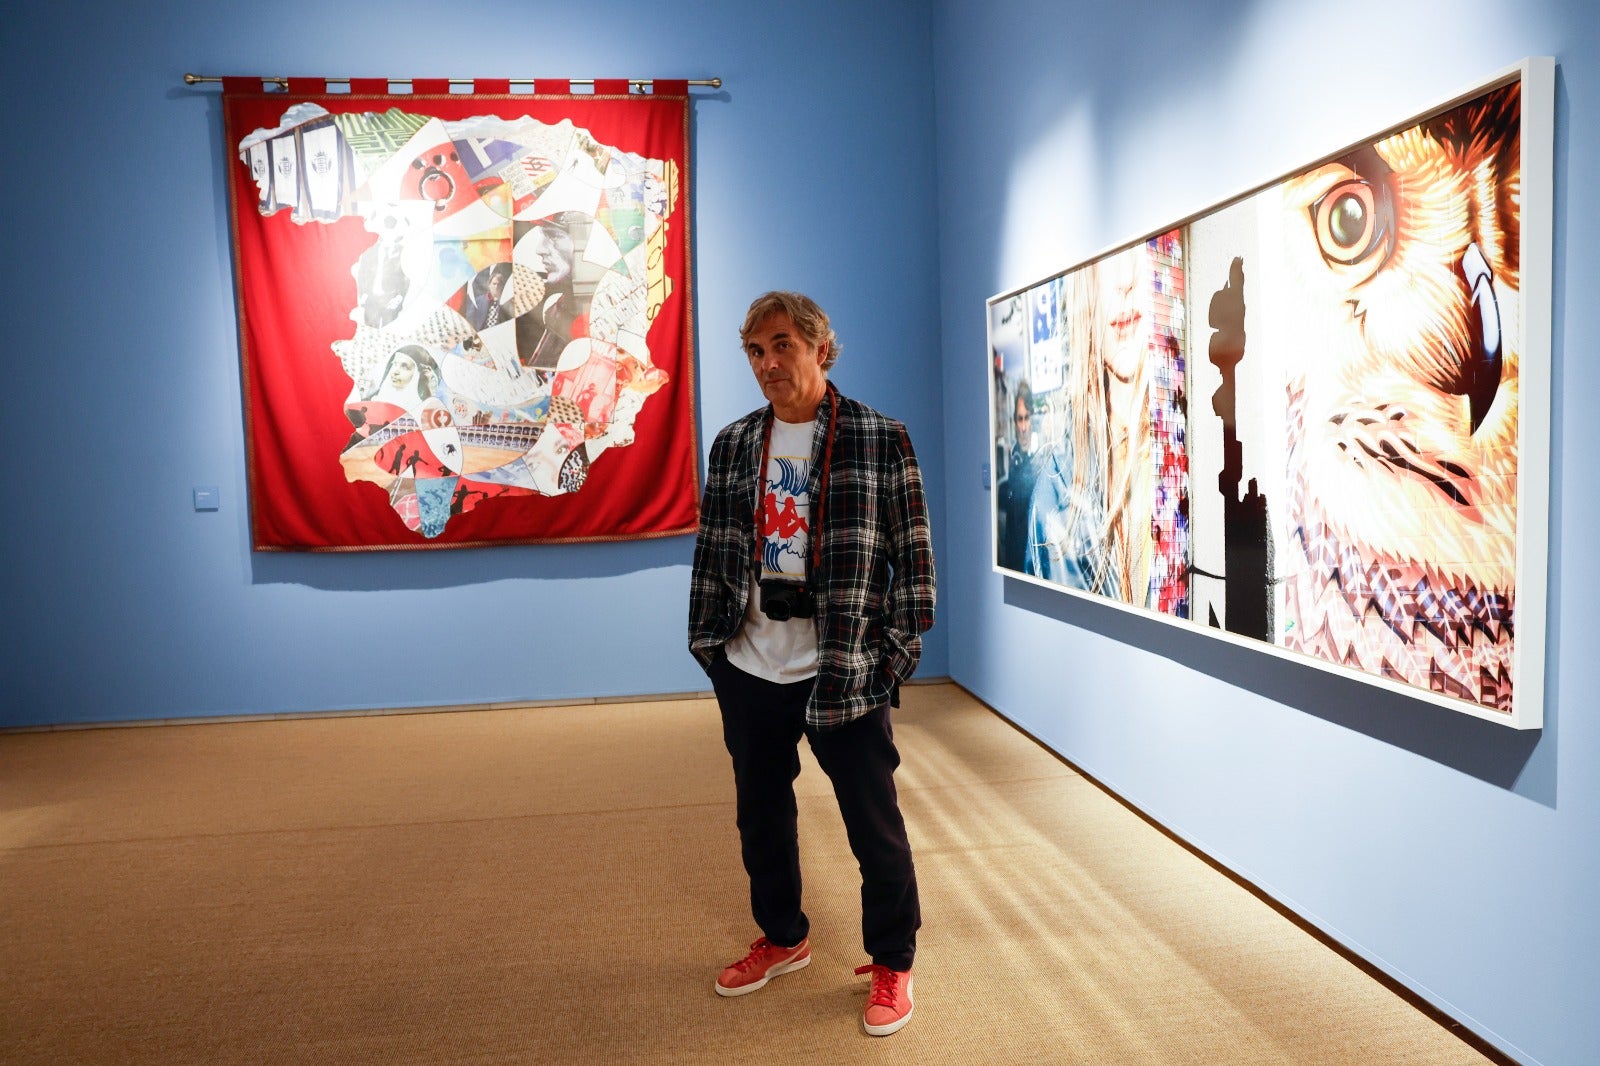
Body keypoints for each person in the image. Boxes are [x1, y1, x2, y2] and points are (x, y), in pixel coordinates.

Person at [688, 291, 936, 1038]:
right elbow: (712, 557)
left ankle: (893, 960)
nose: (768, 363)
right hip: (752, 666)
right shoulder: (734, 444)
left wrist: (890, 659)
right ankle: (785, 937)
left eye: (783, 345)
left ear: (821, 348)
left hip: (845, 669)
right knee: (761, 818)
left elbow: (915, 565)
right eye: (756, 351)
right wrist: (714, 652)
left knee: (874, 826)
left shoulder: (878, 437)